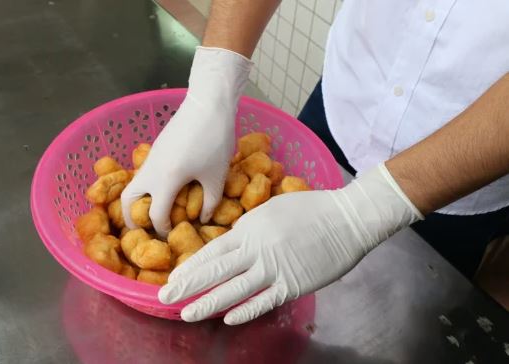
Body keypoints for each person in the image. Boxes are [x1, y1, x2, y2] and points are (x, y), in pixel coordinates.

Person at [121, 0, 509, 325]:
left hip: (460, 175)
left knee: (405, 326)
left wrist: (367, 210)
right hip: (348, 97)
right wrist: (214, 81)